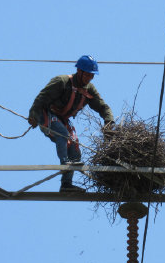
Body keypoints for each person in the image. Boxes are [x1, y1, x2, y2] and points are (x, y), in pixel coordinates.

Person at [28, 55, 114, 192]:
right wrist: (33, 115)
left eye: (92, 76)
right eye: (87, 75)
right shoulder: (62, 81)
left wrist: (109, 123)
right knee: (62, 133)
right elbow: (41, 98)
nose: (89, 78)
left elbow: (103, 107)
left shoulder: (89, 90)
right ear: (79, 71)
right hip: (46, 114)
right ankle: (64, 163)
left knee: (74, 150)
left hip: (62, 119)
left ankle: (66, 185)